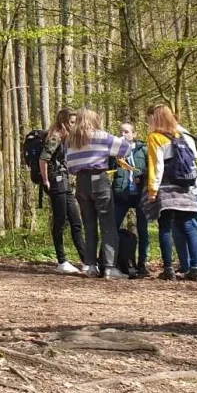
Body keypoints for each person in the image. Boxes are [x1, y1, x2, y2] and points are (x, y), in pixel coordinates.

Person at [63, 108, 132, 278]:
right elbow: (126, 149)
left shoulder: (70, 140)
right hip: (100, 179)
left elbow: (69, 165)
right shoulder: (101, 136)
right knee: (108, 225)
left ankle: (91, 266)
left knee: (89, 226)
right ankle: (109, 267)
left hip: (81, 181)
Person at [145, 103, 197, 281]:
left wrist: (152, 190)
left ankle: (168, 269)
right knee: (188, 226)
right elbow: (194, 158)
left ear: (154, 118)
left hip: (166, 187)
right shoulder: (181, 136)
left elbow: (156, 165)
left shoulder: (155, 137)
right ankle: (195, 268)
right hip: (185, 186)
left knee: (165, 227)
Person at [38, 108, 84, 275]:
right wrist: (46, 180)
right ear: (63, 122)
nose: (73, 125)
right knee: (60, 221)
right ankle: (62, 260)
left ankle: (86, 259)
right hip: (55, 182)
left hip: (65, 181)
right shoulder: (55, 136)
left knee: (76, 221)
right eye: (71, 122)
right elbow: (43, 159)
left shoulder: (65, 138)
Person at [112, 123, 149, 277]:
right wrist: (115, 157)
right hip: (121, 194)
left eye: (126, 132)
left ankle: (142, 264)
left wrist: (142, 177)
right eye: (121, 131)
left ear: (134, 134)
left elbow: (152, 169)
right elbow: (109, 168)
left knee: (143, 230)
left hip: (140, 195)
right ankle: (112, 262)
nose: (123, 134)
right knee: (112, 227)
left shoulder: (143, 149)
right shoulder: (115, 150)